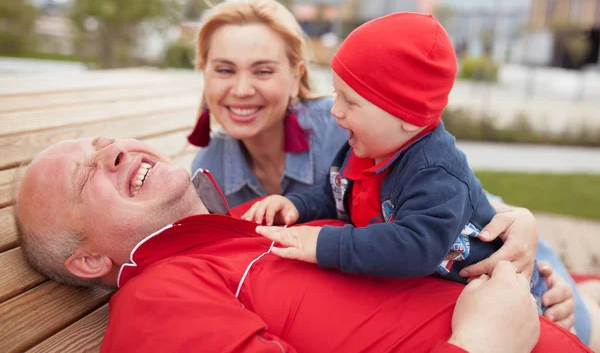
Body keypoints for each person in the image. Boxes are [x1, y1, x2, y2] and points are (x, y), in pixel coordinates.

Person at [13, 137, 590, 352]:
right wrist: (486, 341)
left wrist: (516, 284)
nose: (111, 150)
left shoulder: (248, 227)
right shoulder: (156, 303)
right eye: (85, 175)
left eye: (100, 141)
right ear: (89, 260)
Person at [243, 12, 548, 307]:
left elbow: (415, 245)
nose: (336, 110)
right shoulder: (364, 147)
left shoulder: (436, 172)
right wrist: (296, 205)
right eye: (337, 94)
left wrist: (325, 244)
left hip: (514, 299)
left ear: (409, 117)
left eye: (350, 101)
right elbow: (333, 194)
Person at [187, 0, 347, 207]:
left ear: (295, 78)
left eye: (263, 71)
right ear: (204, 74)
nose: (242, 90)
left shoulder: (344, 132)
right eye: (225, 70)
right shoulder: (209, 169)